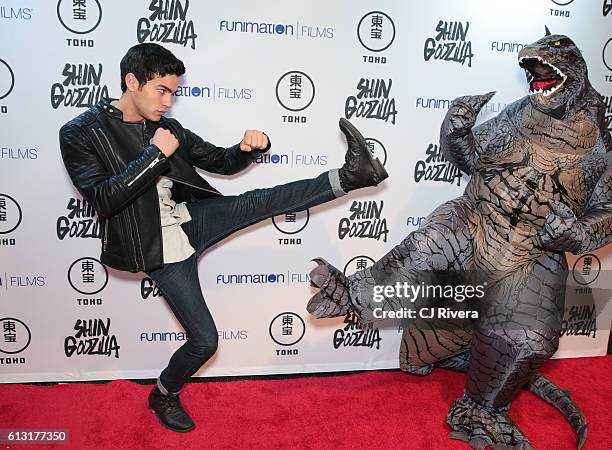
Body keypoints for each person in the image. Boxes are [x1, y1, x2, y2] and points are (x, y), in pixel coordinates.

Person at [59, 42, 387, 432]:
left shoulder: (167, 127)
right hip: (152, 246)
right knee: (205, 341)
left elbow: (220, 162)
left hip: (187, 219)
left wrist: (247, 149)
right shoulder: (81, 132)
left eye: (173, 93)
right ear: (132, 82)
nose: (167, 102)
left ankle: (351, 176)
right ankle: (163, 393)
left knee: (259, 201)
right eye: (160, 91)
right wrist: (153, 156)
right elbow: (104, 199)